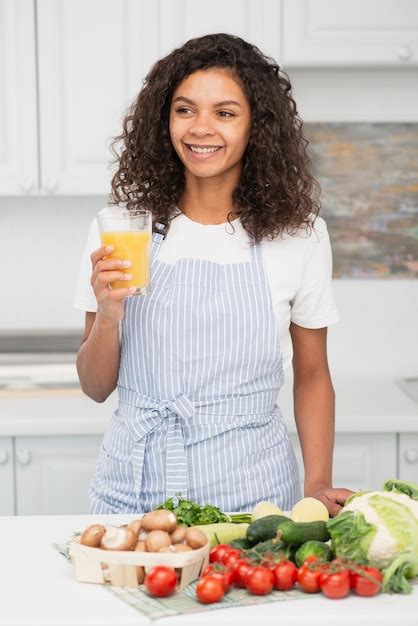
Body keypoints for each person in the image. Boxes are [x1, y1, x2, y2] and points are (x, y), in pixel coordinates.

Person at [74, 33, 354, 516]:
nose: (200, 128)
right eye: (185, 110)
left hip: (255, 499)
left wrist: (317, 481)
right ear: (165, 121)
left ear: (255, 127)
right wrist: (108, 316)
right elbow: (95, 387)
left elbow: (312, 375)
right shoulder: (121, 228)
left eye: (224, 113)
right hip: (133, 497)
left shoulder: (300, 237)